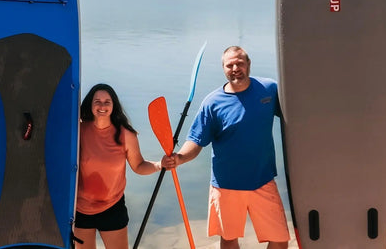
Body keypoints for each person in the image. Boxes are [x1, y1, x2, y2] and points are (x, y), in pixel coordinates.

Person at [161, 46, 290, 249]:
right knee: (229, 240)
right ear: (224, 69)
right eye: (230, 65)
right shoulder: (212, 103)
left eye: (239, 63)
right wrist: (179, 158)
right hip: (226, 185)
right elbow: (196, 141)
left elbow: (293, 115)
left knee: (280, 239)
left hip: (263, 180)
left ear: (248, 64)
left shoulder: (268, 90)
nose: (235, 68)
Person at [74, 83, 162, 249]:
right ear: (90, 104)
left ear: (113, 105)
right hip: (81, 209)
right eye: (97, 101)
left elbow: (139, 166)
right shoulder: (78, 130)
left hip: (112, 207)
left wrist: (159, 165)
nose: (102, 106)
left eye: (107, 102)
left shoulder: (125, 134)